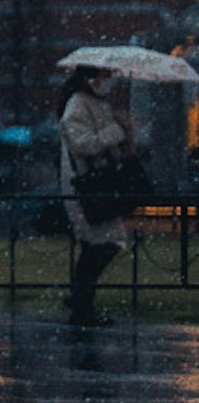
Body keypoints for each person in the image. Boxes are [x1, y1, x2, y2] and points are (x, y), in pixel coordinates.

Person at [59, 64, 143, 321]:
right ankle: (81, 302)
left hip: (97, 184)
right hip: (86, 186)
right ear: (89, 78)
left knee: (100, 243)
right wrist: (116, 130)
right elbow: (85, 143)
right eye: (105, 77)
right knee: (101, 243)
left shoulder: (95, 103)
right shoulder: (77, 105)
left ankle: (81, 300)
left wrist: (123, 131)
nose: (108, 82)